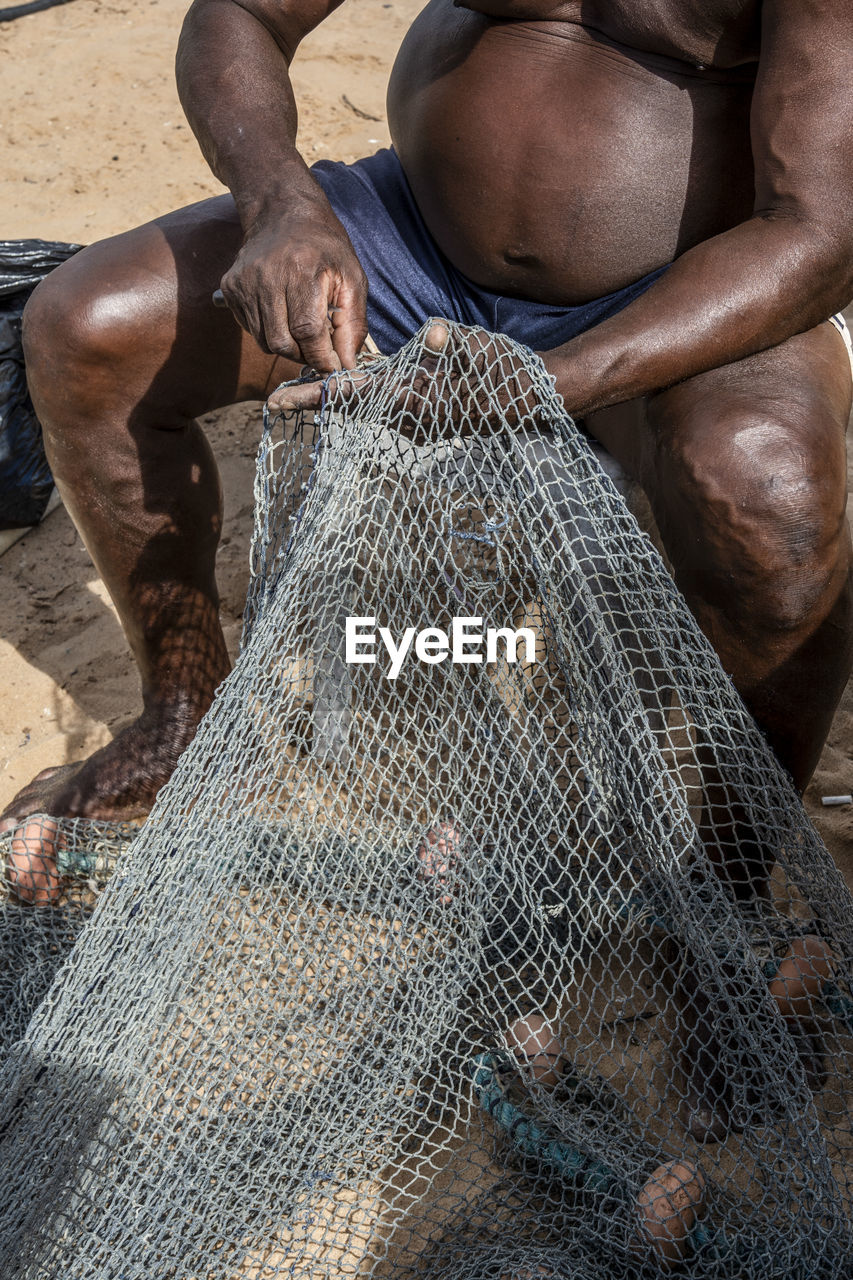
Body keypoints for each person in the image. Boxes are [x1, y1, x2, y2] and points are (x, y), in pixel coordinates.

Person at [1, 0, 852, 1111]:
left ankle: (725, 885)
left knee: (771, 506)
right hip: (408, 236)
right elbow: (239, 15)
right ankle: (183, 713)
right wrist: (283, 204)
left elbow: (817, 232)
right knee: (85, 324)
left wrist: (561, 380)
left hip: (683, 284)